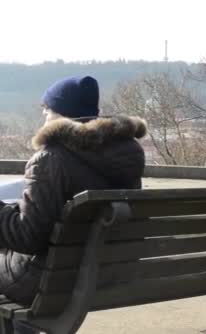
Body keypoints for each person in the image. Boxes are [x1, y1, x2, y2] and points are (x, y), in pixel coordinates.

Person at [0, 76, 147, 333]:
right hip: (107, 274)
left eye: (47, 110)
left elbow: (28, 238)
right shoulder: (128, 154)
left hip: (50, 281)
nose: (44, 117)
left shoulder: (50, 158)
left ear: (61, 114)